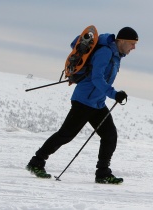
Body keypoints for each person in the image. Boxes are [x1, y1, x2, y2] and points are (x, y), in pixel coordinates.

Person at [26, 27, 138, 184]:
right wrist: (114, 94)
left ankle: (103, 173)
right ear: (122, 41)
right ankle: (36, 162)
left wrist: (111, 95)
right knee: (66, 135)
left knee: (110, 136)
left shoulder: (116, 55)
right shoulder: (105, 52)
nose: (134, 47)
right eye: (132, 43)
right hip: (84, 101)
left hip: (97, 103)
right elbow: (97, 79)